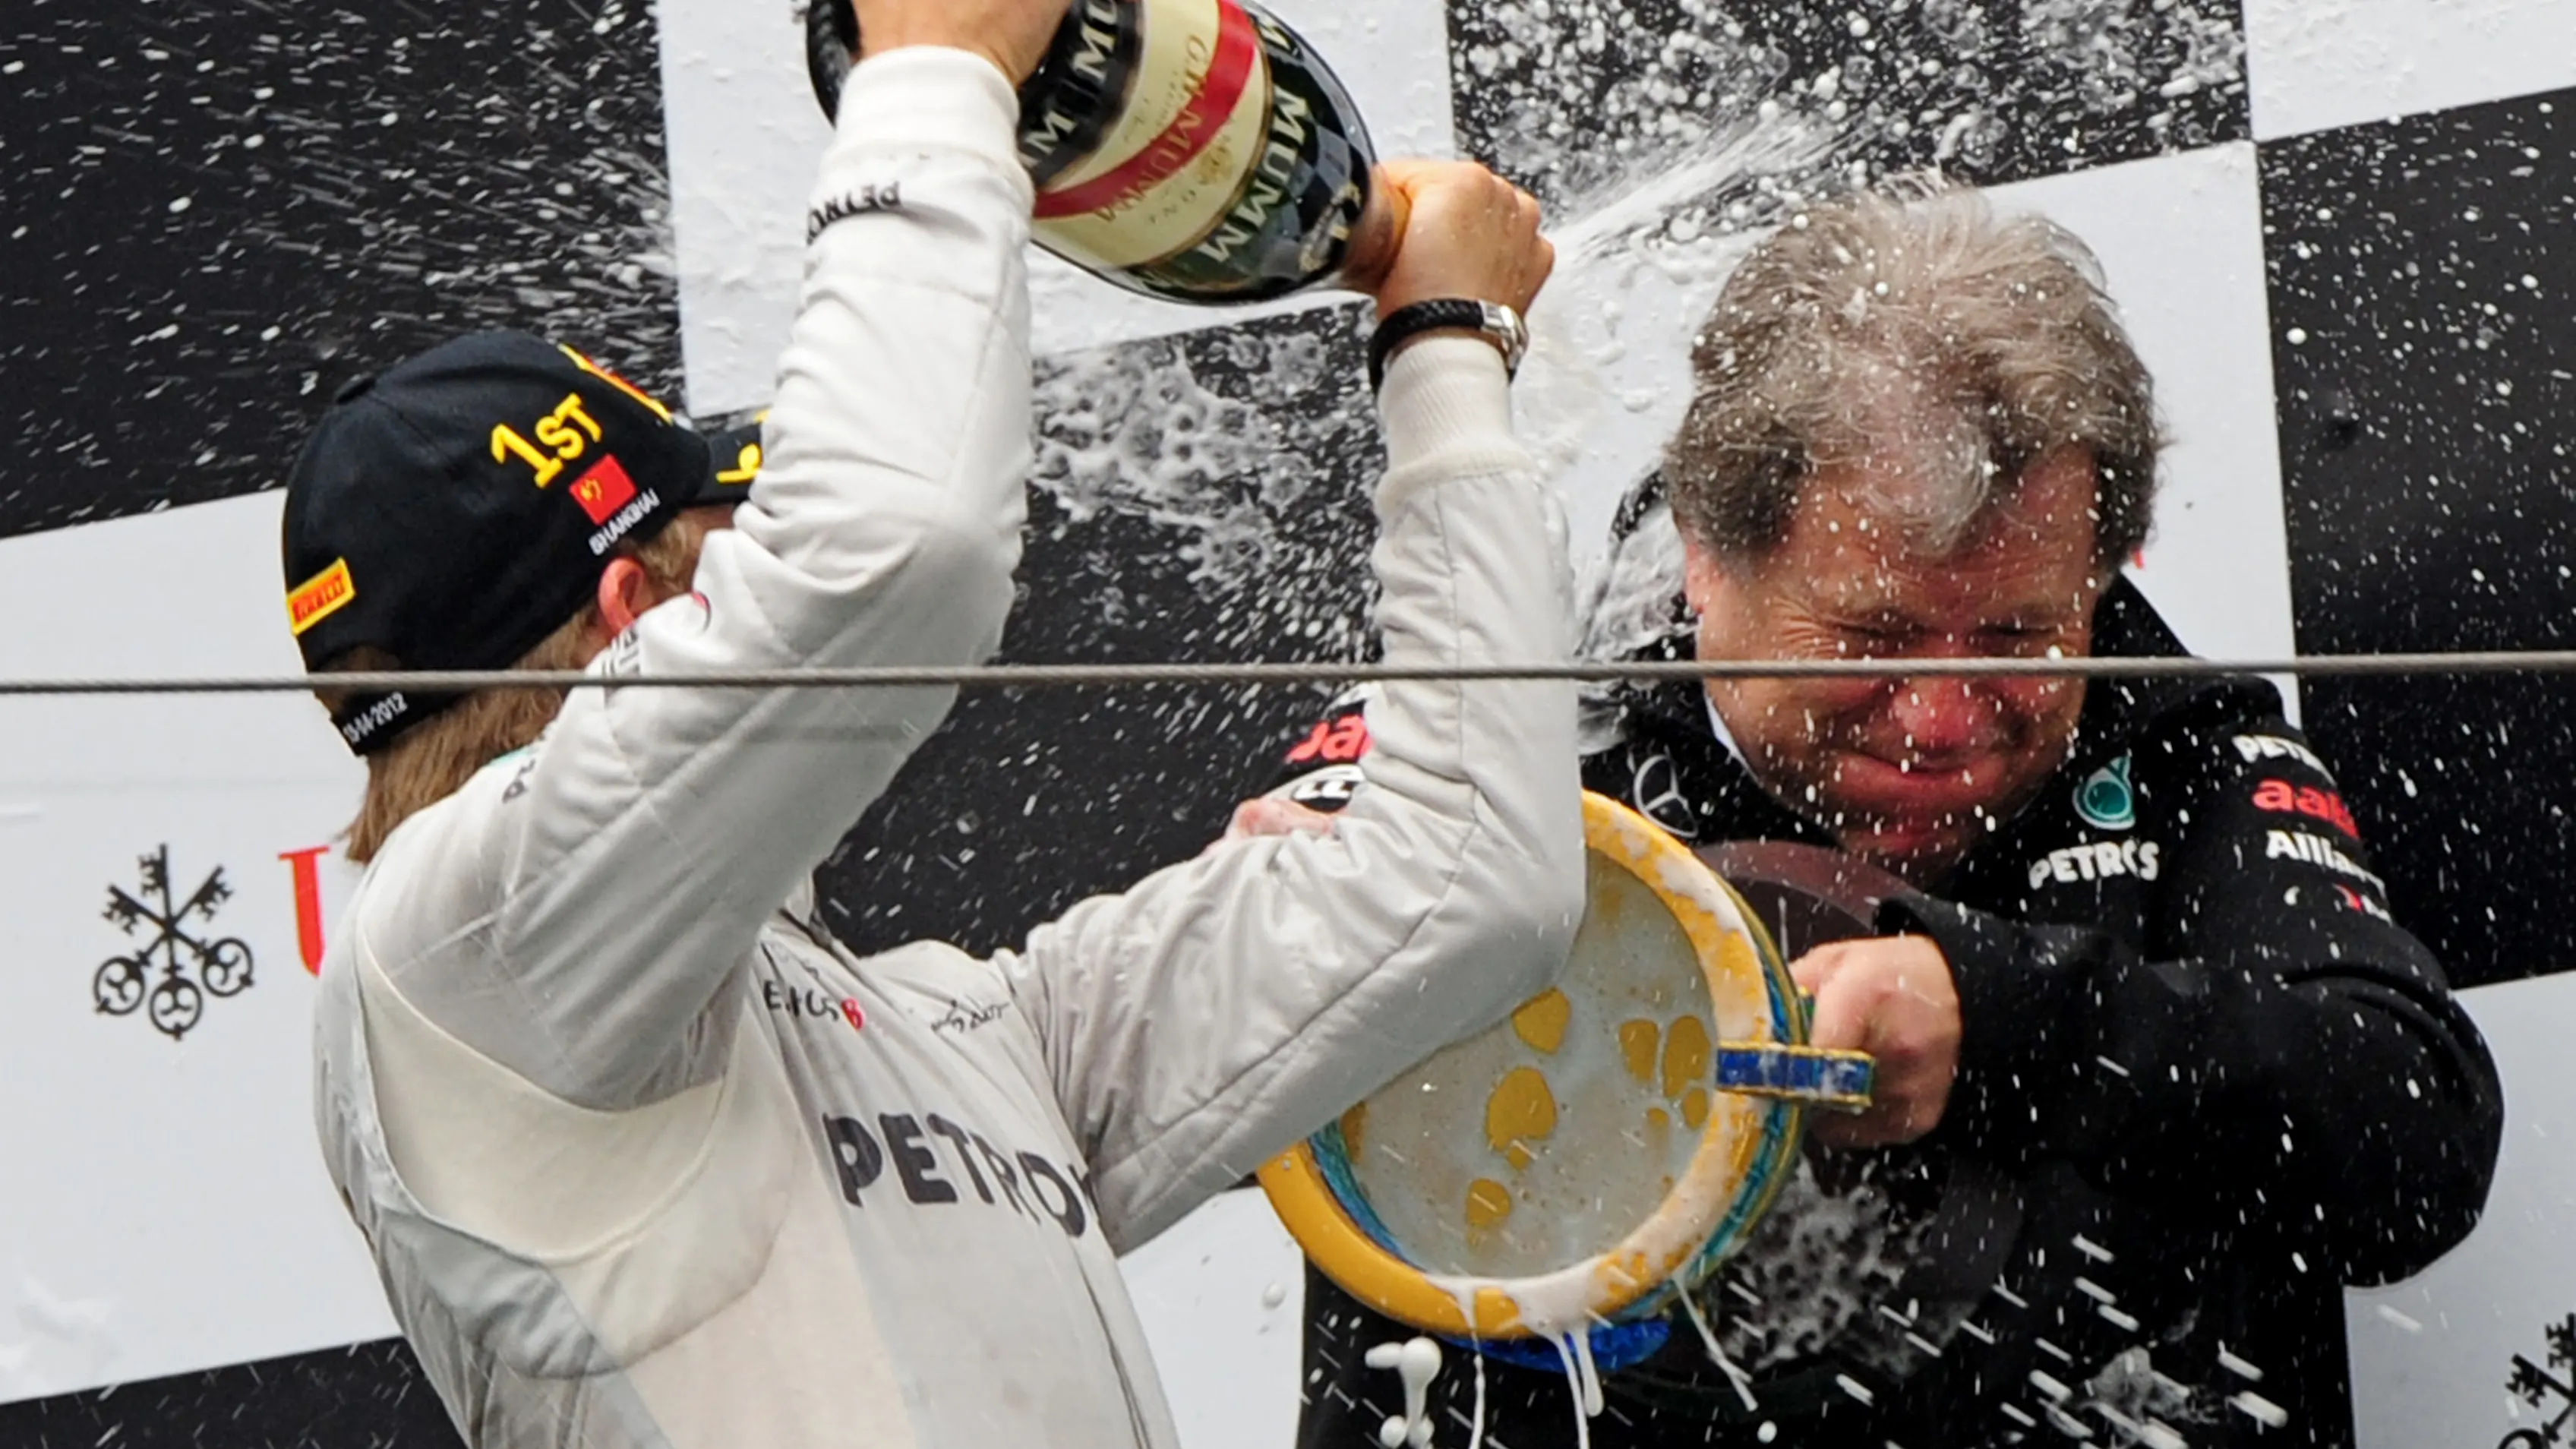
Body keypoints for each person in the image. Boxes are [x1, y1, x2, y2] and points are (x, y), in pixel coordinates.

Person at [282, 0, 1583, 1441]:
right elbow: (894, 558)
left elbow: (1472, 880)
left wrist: (1448, 359)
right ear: (635, 623)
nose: (759, 590)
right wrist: (935, 65)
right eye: (733, 557)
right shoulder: (454, 959)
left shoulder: (962, 1030)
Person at [1253, 183, 2503, 1448]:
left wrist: (2011, 1022)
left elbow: (2417, 1146)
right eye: (1875, 637)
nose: (1946, 718)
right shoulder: (1499, 718)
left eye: (2020, 639)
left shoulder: (2181, 738)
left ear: (2104, 564)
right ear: (1703, 557)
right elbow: (1205, 1085)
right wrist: (1272, 958)